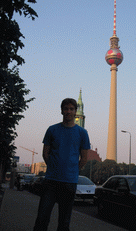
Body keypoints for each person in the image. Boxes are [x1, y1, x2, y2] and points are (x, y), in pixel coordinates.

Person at [33, 98, 90, 231]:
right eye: (66, 109)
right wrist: (54, 166)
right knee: (42, 218)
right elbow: (45, 153)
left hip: (69, 183)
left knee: (64, 222)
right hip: (51, 182)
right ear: (62, 111)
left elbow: (84, 158)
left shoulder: (82, 133)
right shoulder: (52, 130)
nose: (68, 111)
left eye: (71, 109)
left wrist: (72, 170)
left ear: (75, 112)